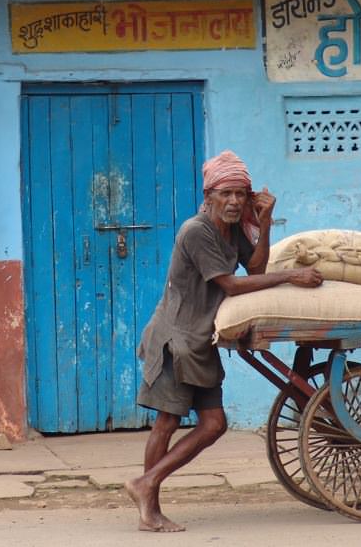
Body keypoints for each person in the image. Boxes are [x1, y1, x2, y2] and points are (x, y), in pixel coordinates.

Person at [124, 149, 323, 533]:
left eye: (240, 194)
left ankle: (145, 484)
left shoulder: (232, 230)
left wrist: (264, 223)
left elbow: (256, 266)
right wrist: (290, 276)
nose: (233, 201)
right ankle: (149, 503)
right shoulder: (196, 231)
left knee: (214, 424)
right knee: (167, 422)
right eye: (226, 194)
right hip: (175, 339)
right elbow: (231, 284)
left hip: (201, 339)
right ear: (209, 196)